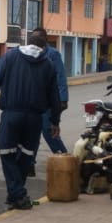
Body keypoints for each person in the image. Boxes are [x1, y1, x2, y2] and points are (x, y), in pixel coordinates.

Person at [0, 33, 61, 210]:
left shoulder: (10, 56)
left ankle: (18, 195)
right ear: (44, 48)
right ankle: (15, 195)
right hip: (34, 118)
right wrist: (55, 121)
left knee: (6, 152)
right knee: (26, 155)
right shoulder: (48, 64)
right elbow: (54, 96)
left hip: (11, 115)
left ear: (28, 43)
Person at [28, 27, 68, 177]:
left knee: (49, 131)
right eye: (33, 38)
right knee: (32, 133)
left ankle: (64, 159)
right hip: (33, 101)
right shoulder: (31, 53)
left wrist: (63, 99)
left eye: (37, 37)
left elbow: (60, 77)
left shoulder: (53, 54)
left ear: (45, 39)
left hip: (49, 102)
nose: (34, 41)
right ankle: (29, 164)